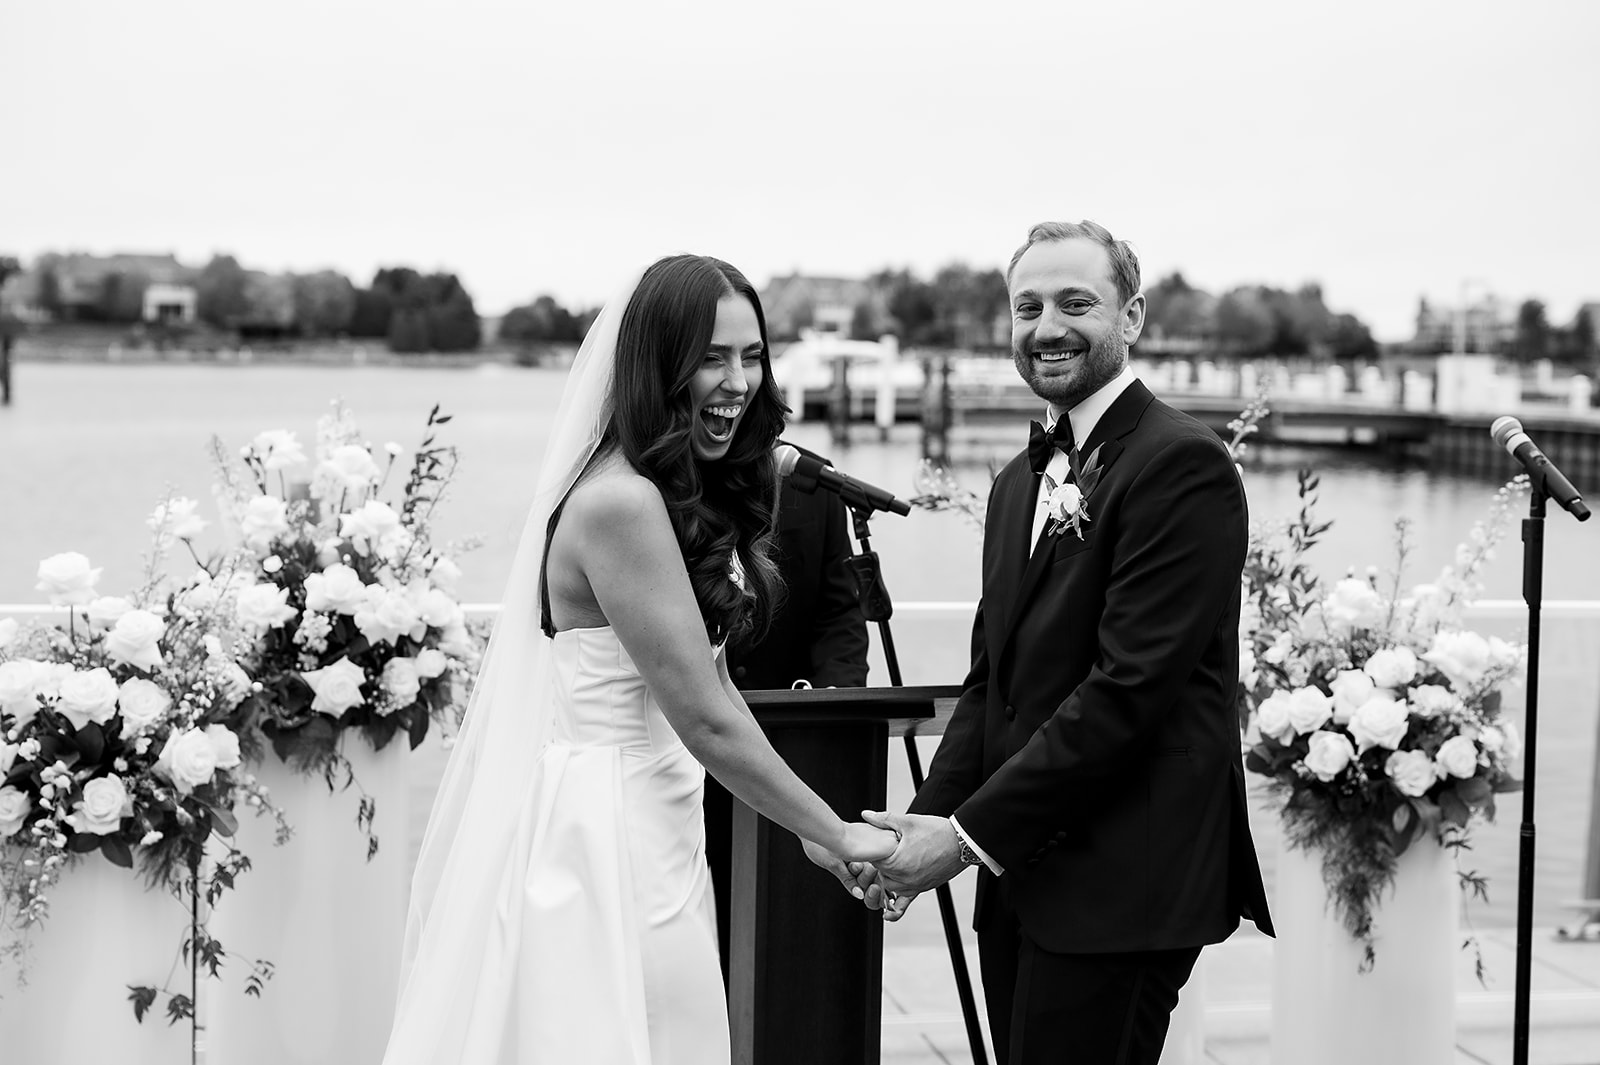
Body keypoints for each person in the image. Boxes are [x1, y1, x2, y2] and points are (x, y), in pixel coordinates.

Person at [382, 254, 897, 1065]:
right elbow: (702, 714)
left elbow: (717, 684)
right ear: (659, 364)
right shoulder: (620, 503)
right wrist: (830, 830)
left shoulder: (672, 488)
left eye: (752, 356)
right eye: (712, 357)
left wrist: (802, 828)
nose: (738, 381)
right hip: (607, 828)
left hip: (658, 811)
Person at [854, 221, 1274, 1065]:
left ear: (1134, 316)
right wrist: (922, 827)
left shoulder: (1183, 465)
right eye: (1028, 306)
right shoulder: (1017, 482)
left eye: (1076, 303)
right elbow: (992, 685)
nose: (1048, 326)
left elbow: (1128, 691)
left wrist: (964, 840)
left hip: (1124, 882)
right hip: (1025, 877)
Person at [706, 442, 870, 982]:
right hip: (689, 746)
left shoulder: (807, 479)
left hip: (794, 754)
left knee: (783, 948)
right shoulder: (657, 486)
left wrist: (830, 709)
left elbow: (840, 610)